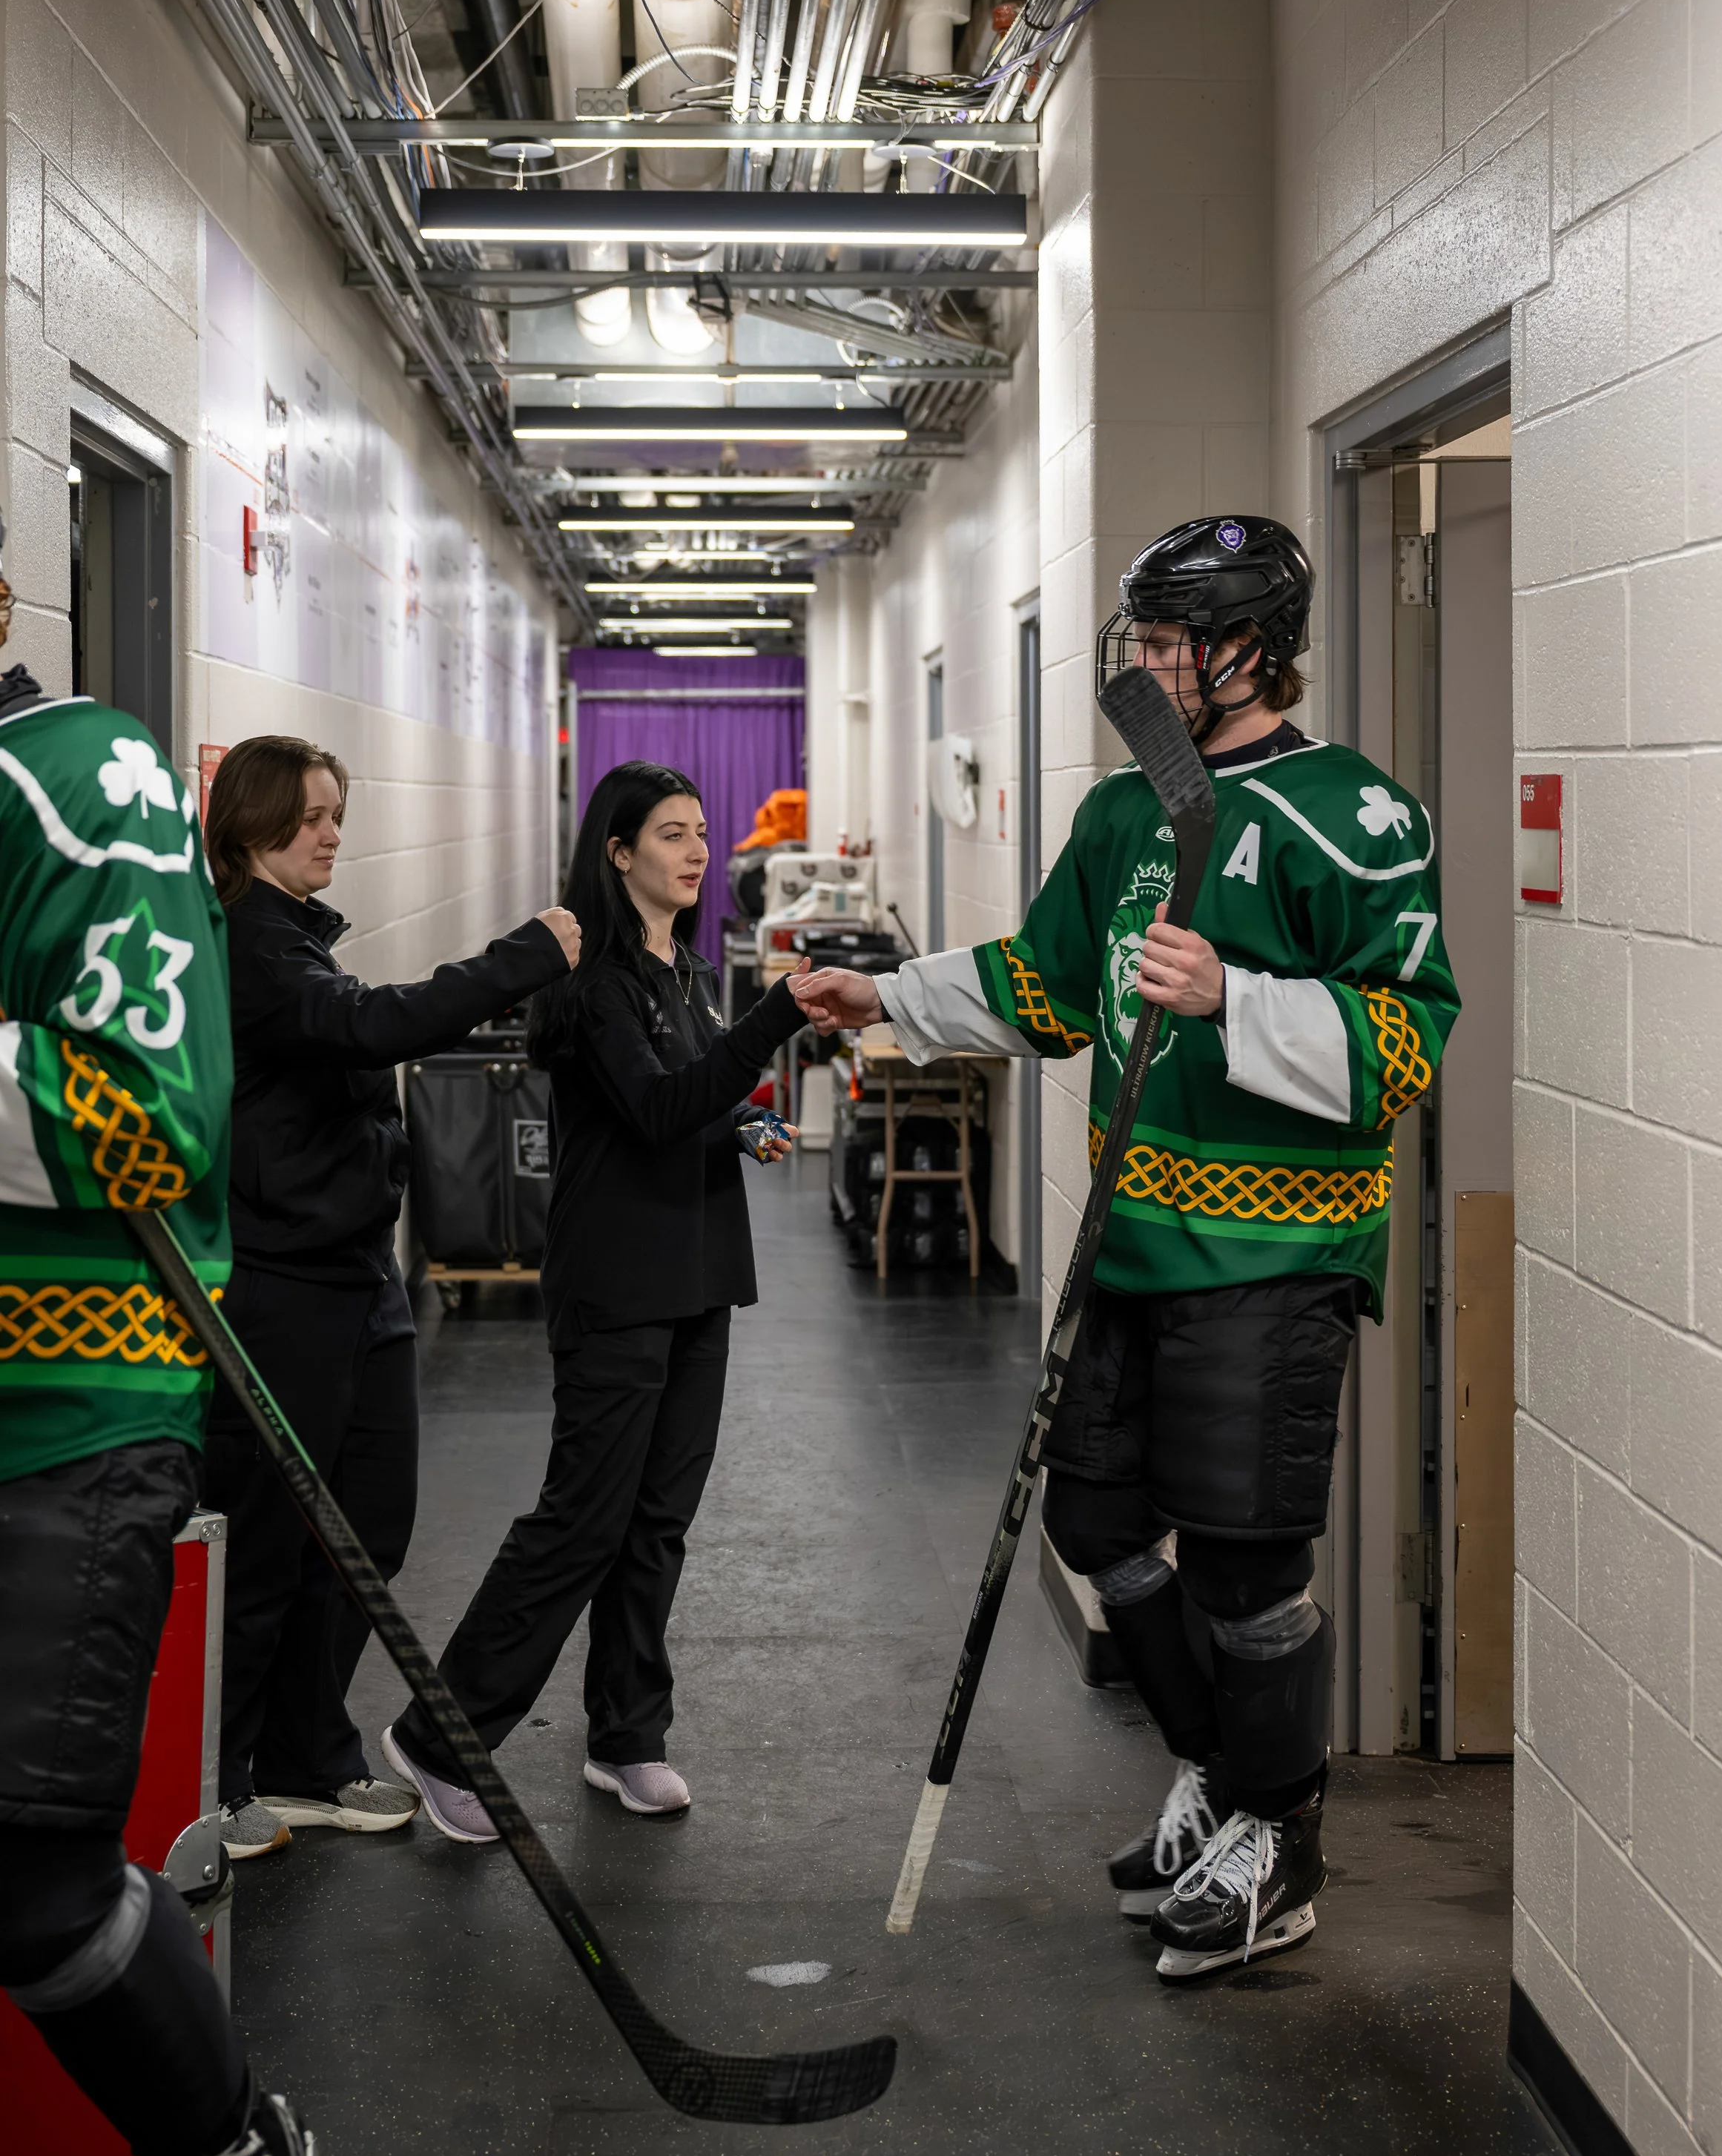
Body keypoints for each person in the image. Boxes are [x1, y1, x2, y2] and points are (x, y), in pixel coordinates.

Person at [791, 516, 1459, 1978]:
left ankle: (1278, 1846)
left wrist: (1237, 996)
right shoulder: (1118, 814)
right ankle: (1228, 1782)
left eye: (1172, 645)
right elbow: (1046, 987)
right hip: (1128, 1250)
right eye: (1139, 641)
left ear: (1248, 652)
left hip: (1267, 1262)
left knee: (1242, 1569)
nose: (1146, 667)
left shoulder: (1354, 816)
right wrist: (887, 1000)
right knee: (1096, 1528)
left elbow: (1409, 1040)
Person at [0, 561, 314, 2156]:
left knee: (33, 1884)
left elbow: (144, 1122)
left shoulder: (79, 780)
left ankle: (226, 2140)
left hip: (60, 1414)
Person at [382, 762, 801, 1841]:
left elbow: (696, 1096)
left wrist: (745, 1122)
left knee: (659, 1521)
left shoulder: (682, 969)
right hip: (618, 1280)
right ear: (617, 852)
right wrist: (778, 1018)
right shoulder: (595, 984)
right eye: (671, 833)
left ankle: (628, 1736)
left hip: (699, 1270)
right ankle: (441, 1736)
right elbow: (658, 1107)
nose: (697, 850)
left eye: (702, 831)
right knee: (583, 1521)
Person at [201, 737, 580, 1859]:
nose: (331, 833)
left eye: (335, 812)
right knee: (271, 1540)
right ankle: (222, 1778)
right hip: (283, 1288)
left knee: (371, 1525)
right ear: (253, 825)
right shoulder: (251, 949)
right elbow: (377, 1026)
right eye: (310, 816)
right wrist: (520, 957)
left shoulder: (300, 937)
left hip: (361, 1278)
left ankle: (307, 1758)